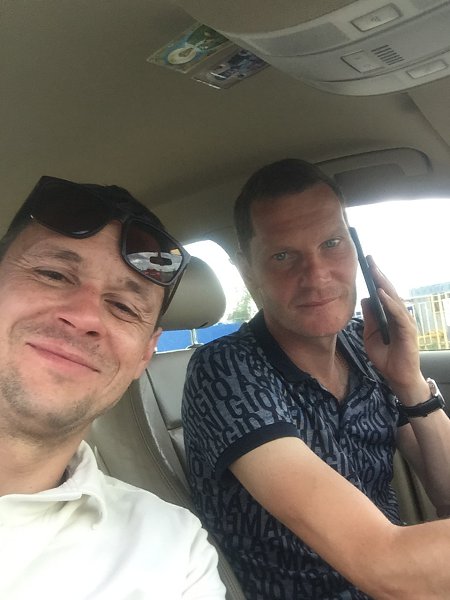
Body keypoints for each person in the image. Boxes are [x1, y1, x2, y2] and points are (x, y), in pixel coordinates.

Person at [182, 158, 450, 599]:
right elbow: (385, 564)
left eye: (331, 243)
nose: (317, 276)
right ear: (249, 272)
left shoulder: (365, 346)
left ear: (357, 250)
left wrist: (409, 383)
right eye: (283, 256)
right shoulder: (226, 370)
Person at [0, 175, 225, 599]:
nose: (86, 317)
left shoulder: (175, 551)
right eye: (53, 274)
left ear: (145, 354)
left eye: (123, 307)